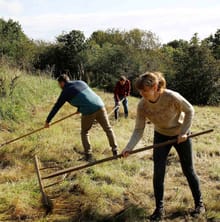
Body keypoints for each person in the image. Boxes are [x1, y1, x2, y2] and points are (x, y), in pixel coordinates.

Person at [122, 72, 205, 220]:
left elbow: (189, 110)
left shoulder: (171, 96)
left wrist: (184, 132)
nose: (141, 93)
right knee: (158, 172)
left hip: (181, 135)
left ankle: (200, 205)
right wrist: (129, 147)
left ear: (155, 87)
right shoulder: (142, 105)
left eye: (144, 90)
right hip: (161, 136)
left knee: (188, 170)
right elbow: (138, 129)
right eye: (140, 91)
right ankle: (159, 209)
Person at [45, 74, 118, 162]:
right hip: (100, 105)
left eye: (59, 84)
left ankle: (88, 155)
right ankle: (115, 151)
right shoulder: (81, 82)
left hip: (89, 110)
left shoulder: (65, 91)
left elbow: (56, 107)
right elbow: (86, 96)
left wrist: (48, 121)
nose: (59, 86)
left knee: (84, 132)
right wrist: (79, 108)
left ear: (62, 83)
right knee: (108, 129)